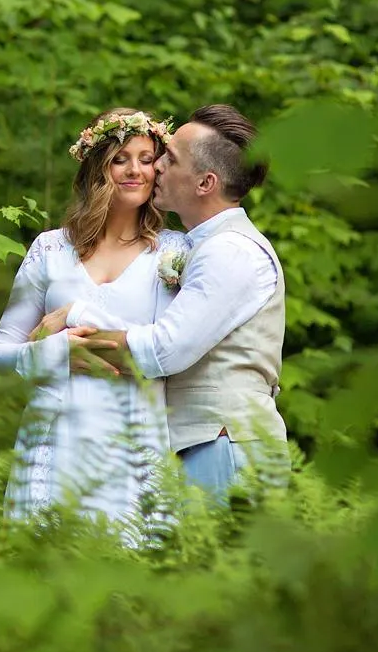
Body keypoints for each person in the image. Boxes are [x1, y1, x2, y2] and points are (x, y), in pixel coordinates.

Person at [0, 108, 193, 546]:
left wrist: (75, 314)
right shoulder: (50, 249)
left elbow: (168, 350)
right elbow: (0, 352)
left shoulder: (174, 253)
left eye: (145, 158)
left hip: (130, 442)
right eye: (120, 158)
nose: (135, 170)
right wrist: (56, 353)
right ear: (97, 166)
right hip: (53, 436)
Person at [71, 103, 287, 504]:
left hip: (224, 446)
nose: (157, 167)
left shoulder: (231, 252)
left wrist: (69, 329)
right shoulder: (199, 245)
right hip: (203, 442)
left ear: (205, 183)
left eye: (169, 158)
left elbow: (163, 350)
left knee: (220, 566)